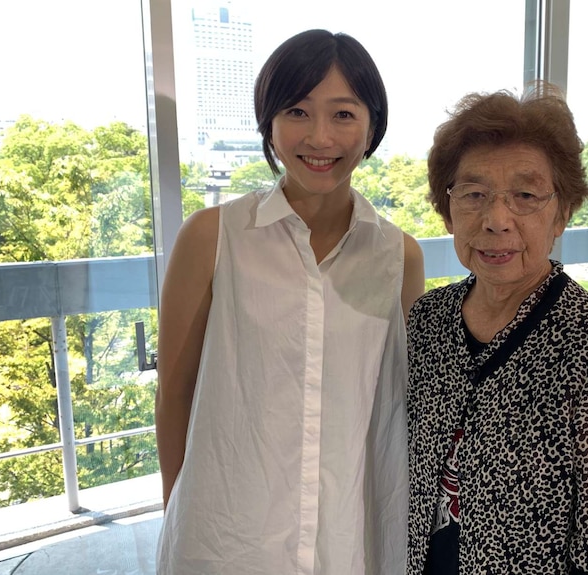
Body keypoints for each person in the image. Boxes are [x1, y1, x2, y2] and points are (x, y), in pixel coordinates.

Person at [154, 29, 425, 574]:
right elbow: (176, 394)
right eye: (297, 111)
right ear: (269, 124)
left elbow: (398, 406)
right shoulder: (212, 237)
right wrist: (182, 516)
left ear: (372, 125)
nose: (320, 137)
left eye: (344, 114)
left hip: (352, 537)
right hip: (231, 537)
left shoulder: (399, 255)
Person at [407, 82, 588, 575]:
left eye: (525, 196)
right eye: (474, 194)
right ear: (448, 209)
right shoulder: (427, 320)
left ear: (561, 212)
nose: (497, 220)